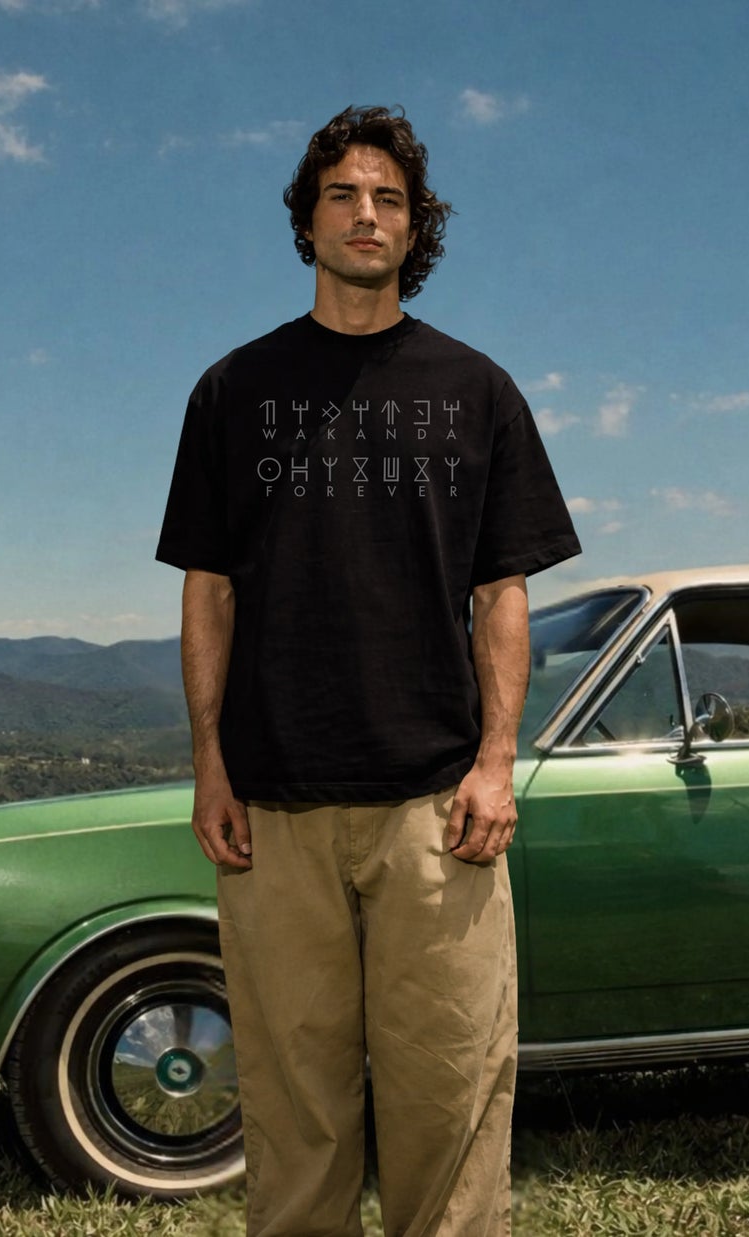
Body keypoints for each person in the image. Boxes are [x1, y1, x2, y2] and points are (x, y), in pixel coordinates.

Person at [153, 103, 582, 1236]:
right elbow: (210, 589)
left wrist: (497, 763)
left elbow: (501, 594)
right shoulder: (232, 391)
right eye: (341, 195)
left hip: (433, 814)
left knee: (449, 1102)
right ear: (307, 221)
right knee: (298, 1123)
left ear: (414, 226)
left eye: (387, 198)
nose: (365, 214)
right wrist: (208, 760)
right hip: (275, 815)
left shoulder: (476, 389)